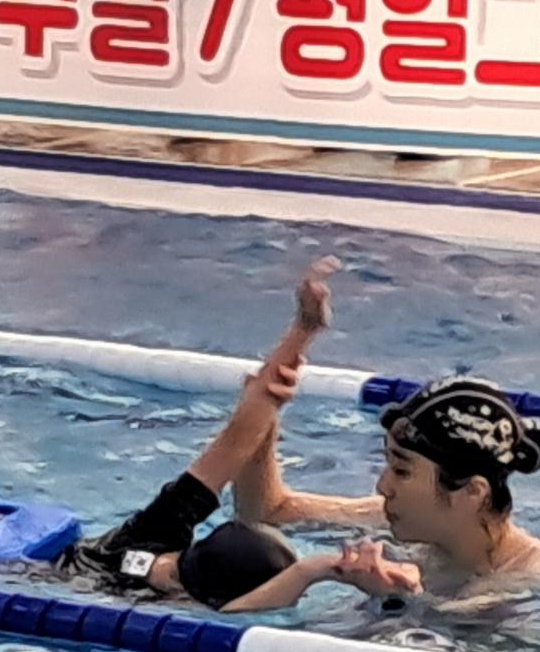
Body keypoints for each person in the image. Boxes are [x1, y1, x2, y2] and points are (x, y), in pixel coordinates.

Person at [55, 257, 422, 612]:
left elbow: (243, 428)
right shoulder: (150, 548)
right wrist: (317, 570)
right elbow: (238, 608)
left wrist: (303, 329)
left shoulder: (149, 537)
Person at [228, 340, 540, 603]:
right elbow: (266, 513)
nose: (383, 486)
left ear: (472, 490)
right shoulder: (384, 519)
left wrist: (394, 601)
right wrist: (260, 416)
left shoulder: (537, 576)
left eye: (401, 471)